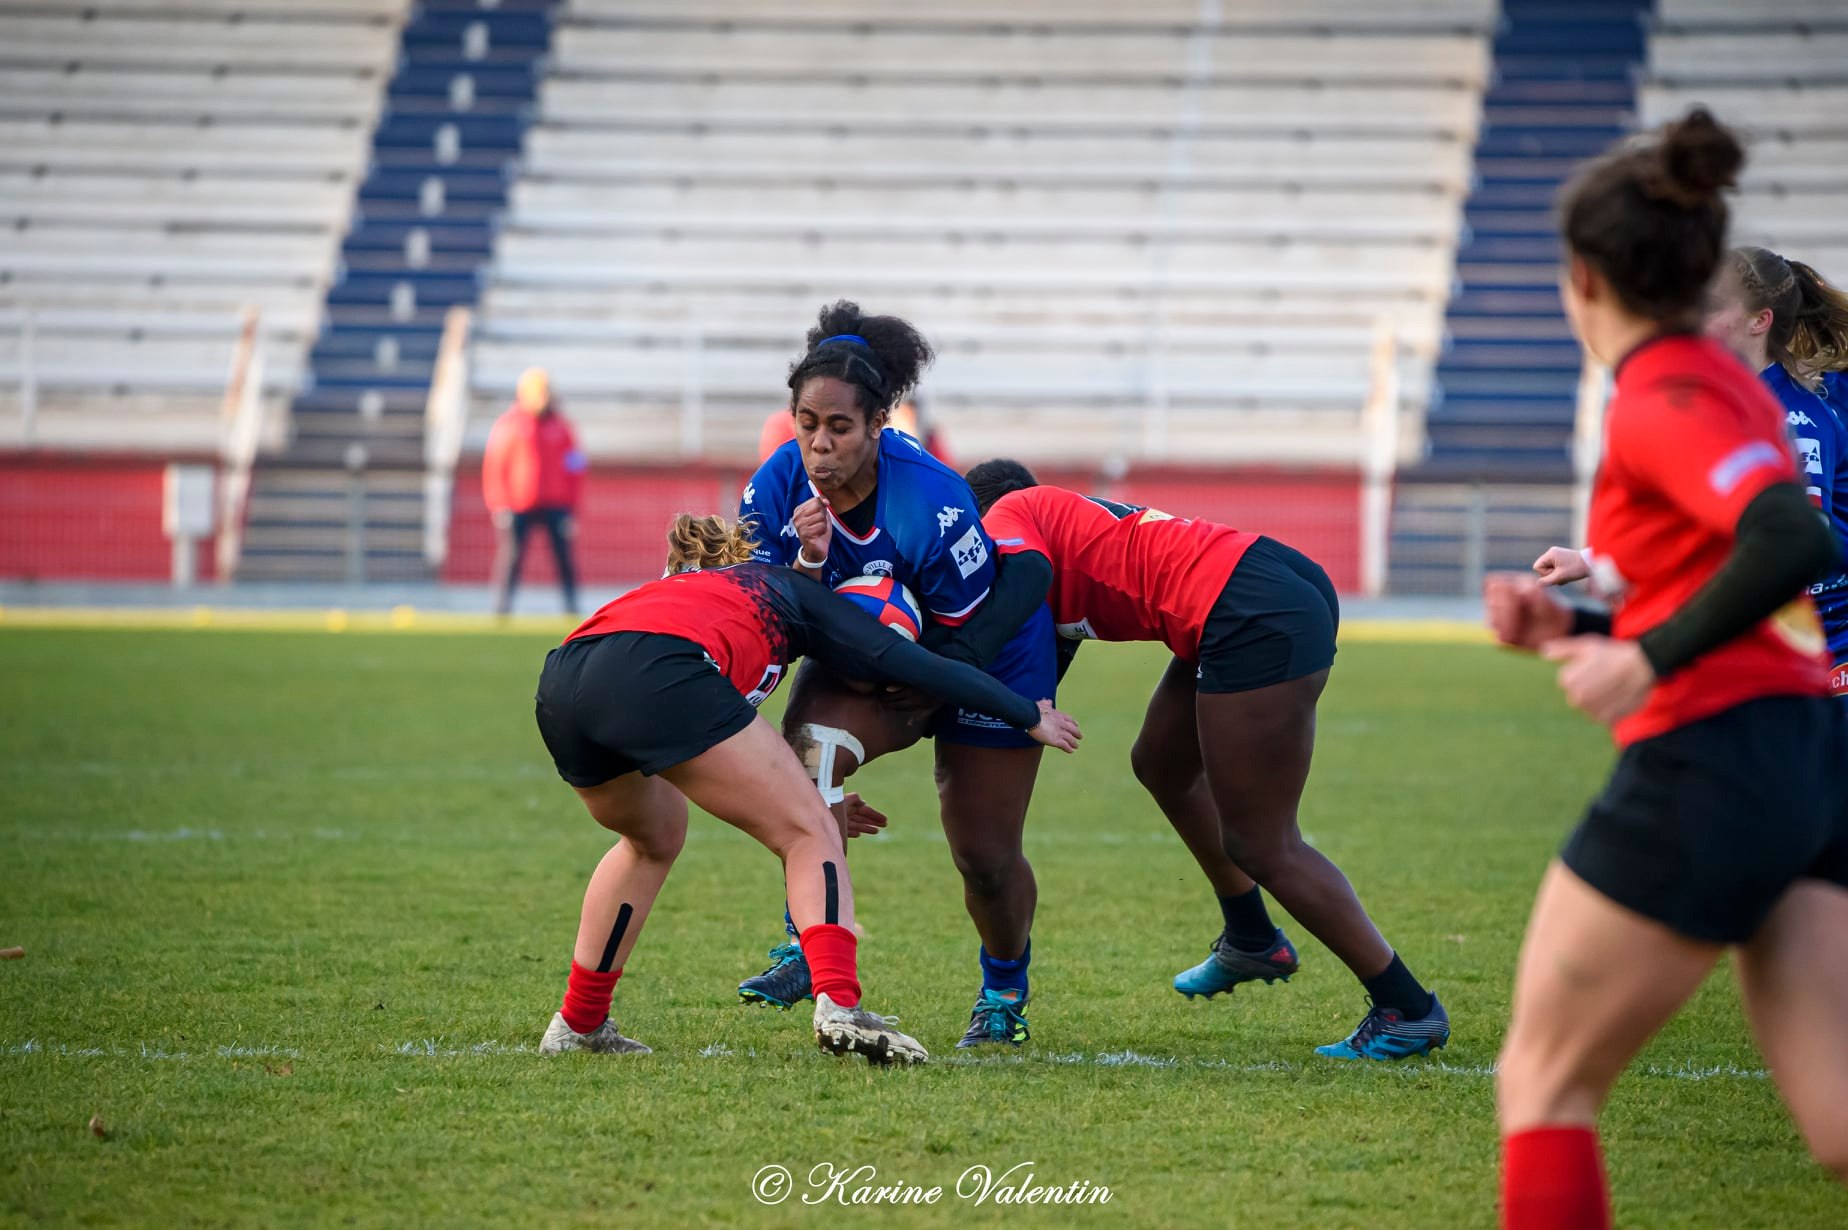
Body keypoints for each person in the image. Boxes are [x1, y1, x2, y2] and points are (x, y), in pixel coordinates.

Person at [1481, 109, 1848, 1229]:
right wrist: (1579, 629)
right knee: (1839, 1124)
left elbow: (1793, 540)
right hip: (1803, 757)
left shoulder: (1667, 390)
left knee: (1541, 1082)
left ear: (1583, 278)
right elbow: (1731, 575)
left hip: (1713, 762)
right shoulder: (1732, 382)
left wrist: (1640, 656)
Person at [532, 513, 1081, 1065]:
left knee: (653, 838)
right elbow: (906, 661)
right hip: (659, 671)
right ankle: (841, 1006)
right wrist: (1022, 712)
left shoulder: (689, 590)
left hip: (564, 678)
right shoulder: (780, 588)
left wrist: (801, 790)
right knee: (810, 830)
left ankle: (579, 1022)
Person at [962, 463, 1449, 1060]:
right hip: (1258, 584)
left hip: (1249, 610)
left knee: (1264, 844)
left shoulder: (1010, 518)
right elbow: (1036, 669)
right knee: (1160, 762)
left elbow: (1014, 602)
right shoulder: (1050, 534)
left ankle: (1407, 1007)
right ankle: (1251, 935)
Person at [735, 300, 1065, 1050]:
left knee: (984, 856)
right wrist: (809, 566)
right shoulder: (775, 487)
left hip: (976, 655)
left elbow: (980, 628)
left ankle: (1002, 990)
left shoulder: (933, 502)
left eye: (840, 427)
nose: (819, 444)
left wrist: (943, 682)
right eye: (806, 424)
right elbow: (767, 610)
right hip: (870, 653)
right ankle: (807, 948)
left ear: (879, 422)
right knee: (812, 756)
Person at [1540, 247, 1848, 700]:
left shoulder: (1797, 420)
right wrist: (1590, 558)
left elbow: (1797, 545)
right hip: (1761, 644)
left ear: (1758, 321)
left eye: (1710, 306)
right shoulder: (1722, 402)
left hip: (1823, 652)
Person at [484, 367, 586, 616]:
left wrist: (573, 508)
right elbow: (496, 466)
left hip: (556, 505)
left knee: (564, 560)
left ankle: (572, 608)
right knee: (511, 560)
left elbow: (576, 467)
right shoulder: (509, 425)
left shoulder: (562, 427)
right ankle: (502, 609)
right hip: (518, 505)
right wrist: (499, 505)